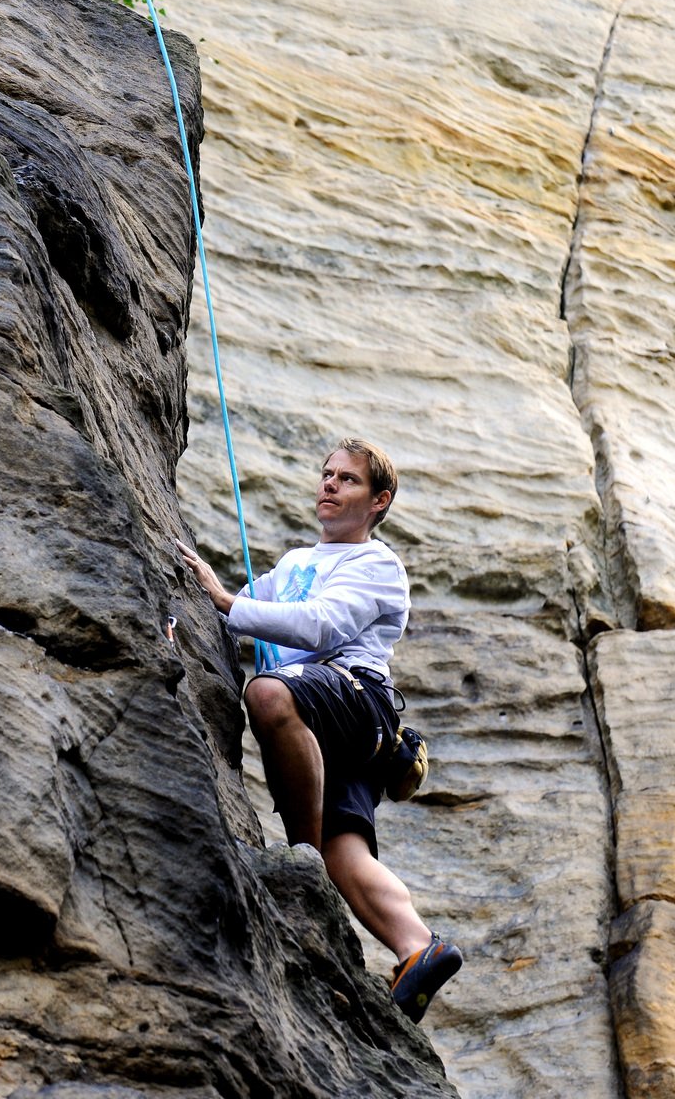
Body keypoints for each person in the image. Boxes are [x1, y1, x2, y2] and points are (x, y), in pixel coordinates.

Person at [177, 437, 462, 1024]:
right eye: (327, 474)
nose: (329, 484)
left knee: (268, 692)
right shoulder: (293, 565)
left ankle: (298, 864)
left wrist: (228, 599)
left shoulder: (377, 564)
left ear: (379, 501)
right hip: (336, 721)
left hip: (356, 700)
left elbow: (323, 626)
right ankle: (418, 949)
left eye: (348, 480)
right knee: (345, 851)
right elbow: (240, 613)